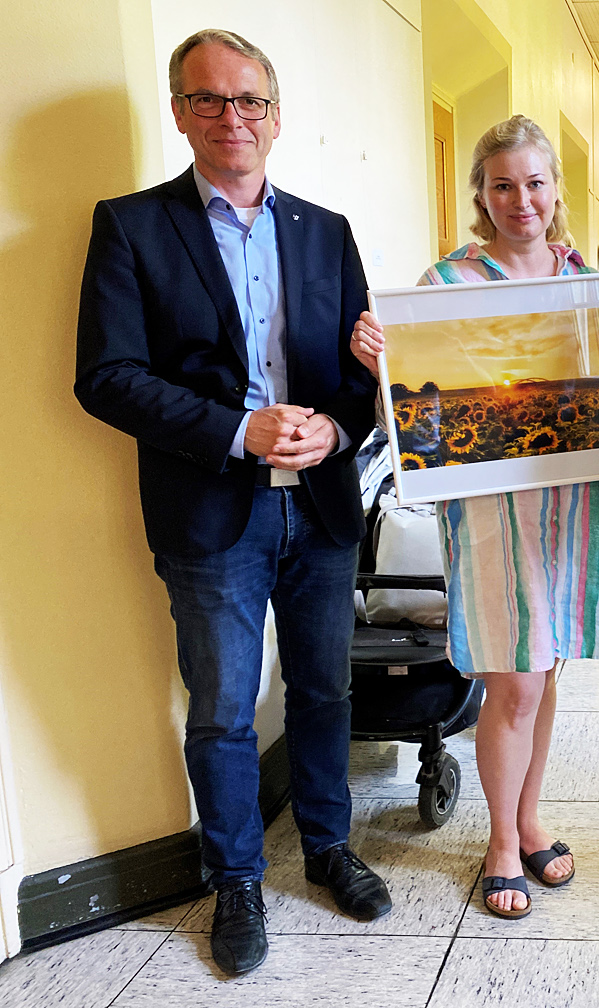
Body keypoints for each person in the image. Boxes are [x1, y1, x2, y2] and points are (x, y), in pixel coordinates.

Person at [74, 30, 389, 976]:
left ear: (277, 116)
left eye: (249, 100)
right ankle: (237, 879)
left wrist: (338, 430)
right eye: (209, 100)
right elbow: (105, 376)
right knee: (221, 706)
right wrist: (233, 429)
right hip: (212, 511)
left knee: (326, 687)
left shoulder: (326, 230)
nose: (231, 117)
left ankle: (329, 848)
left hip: (323, 507)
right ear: (179, 112)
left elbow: (363, 375)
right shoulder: (131, 226)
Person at [350, 115, 599, 920]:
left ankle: (528, 817)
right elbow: (408, 415)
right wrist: (382, 361)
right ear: (481, 194)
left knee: (545, 668)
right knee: (512, 676)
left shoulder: (581, 273)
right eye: (503, 184)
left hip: (566, 501)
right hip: (488, 508)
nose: (522, 199)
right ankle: (501, 846)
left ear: (555, 191)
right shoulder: (445, 284)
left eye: (536, 182)